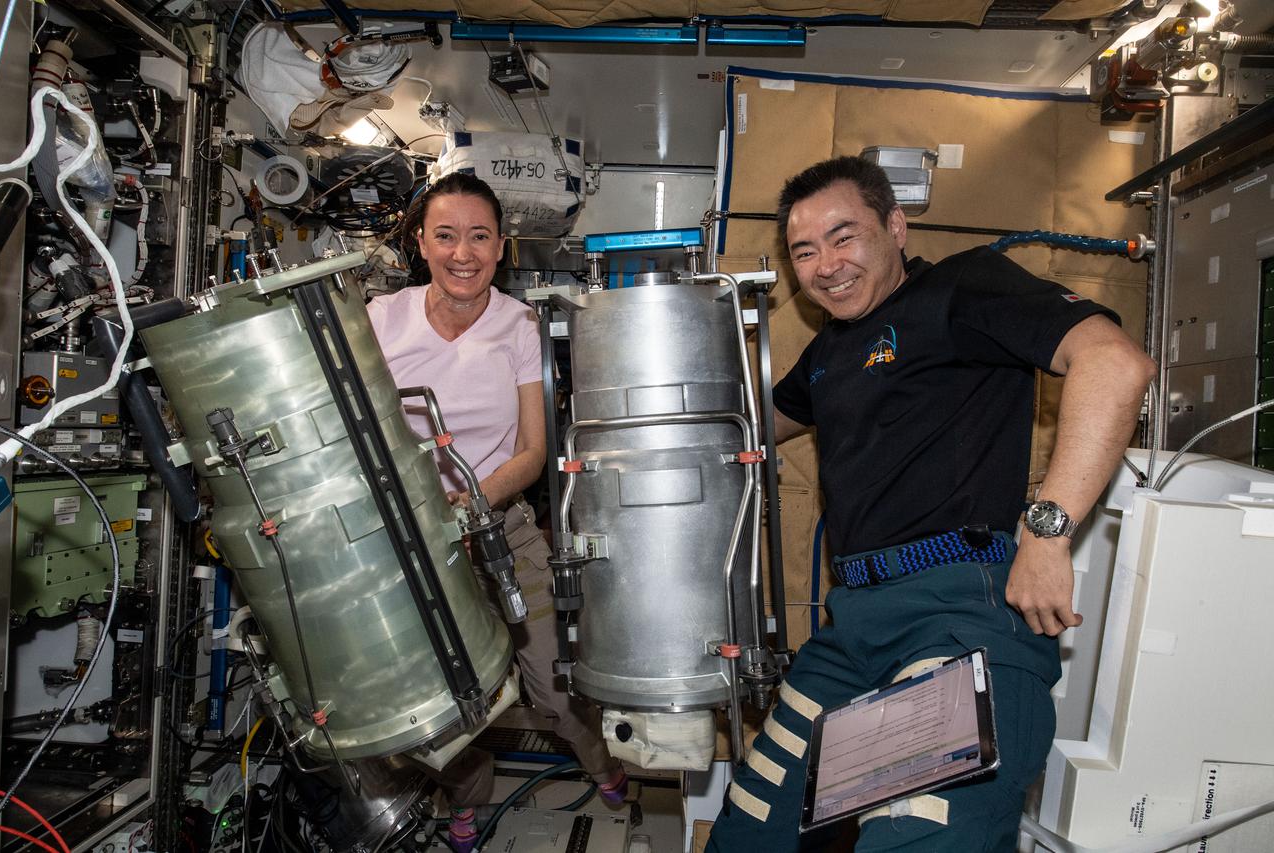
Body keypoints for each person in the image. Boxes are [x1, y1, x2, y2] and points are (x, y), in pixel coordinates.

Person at [706, 156, 1156, 852]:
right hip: (851, 630)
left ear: (895, 225)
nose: (826, 265)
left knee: (912, 838)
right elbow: (751, 423)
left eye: (844, 236)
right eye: (805, 250)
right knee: (748, 830)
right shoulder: (829, 352)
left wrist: (1047, 531)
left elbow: (1115, 362)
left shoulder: (960, 288)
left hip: (954, 618)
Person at [366, 172, 625, 853]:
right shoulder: (381, 319)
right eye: (446, 235)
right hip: (413, 540)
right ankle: (466, 803)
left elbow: (534, 451)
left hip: (500, 526)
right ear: (420, 242)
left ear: (502, 247)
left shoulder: (518, 324)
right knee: (453, 699)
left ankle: (602, 763)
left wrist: (471, 501)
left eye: (479, 236)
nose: (463, 252)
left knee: (550, 686)